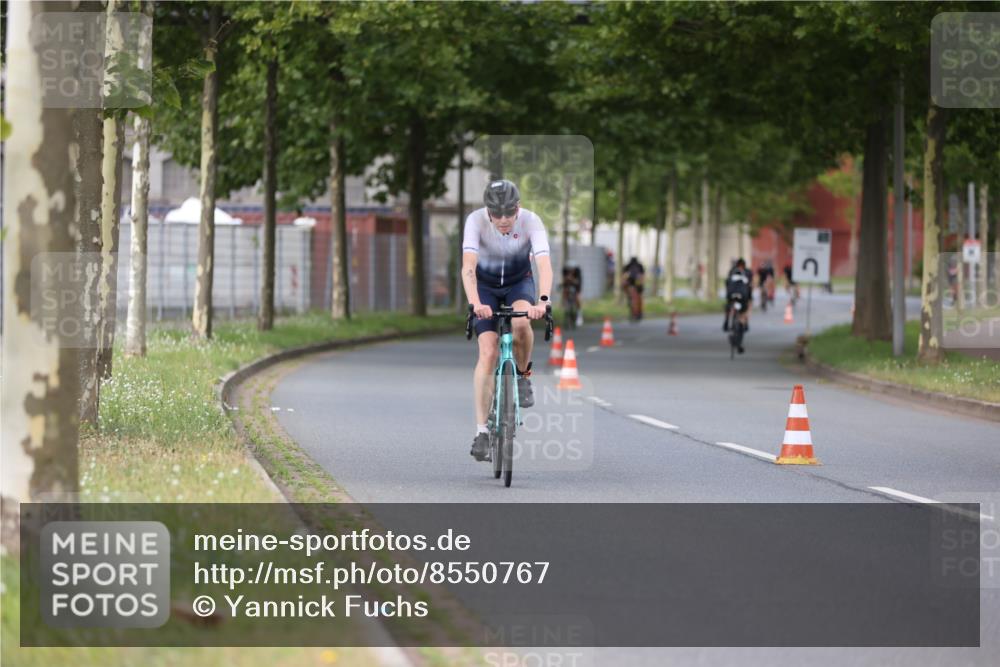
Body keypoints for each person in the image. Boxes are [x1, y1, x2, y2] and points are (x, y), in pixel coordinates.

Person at [462, 179, 553, 461]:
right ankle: (481, 432)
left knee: (522, 322)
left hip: (518, 283)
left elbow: (544, 266)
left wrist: (544, 301)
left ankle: (523, 376)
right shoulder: (475, 221)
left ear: (519, 207)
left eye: (509, 213)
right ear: (487, 210)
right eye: (496, 213)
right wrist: (476, 303)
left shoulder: (531, 222)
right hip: (485, 288)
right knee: (488, 352)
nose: (503, 220)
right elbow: (468, 268)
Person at [724, 258, 753, 353]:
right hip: (743, 298)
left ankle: (726, 322)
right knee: (743, 316)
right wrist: (750, 299)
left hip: (731, 297)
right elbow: (749, 287)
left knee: (728, 306)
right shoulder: (748, 273)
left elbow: (727, 284)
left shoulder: (732, 272)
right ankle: (743, 326)